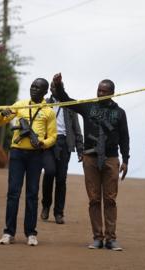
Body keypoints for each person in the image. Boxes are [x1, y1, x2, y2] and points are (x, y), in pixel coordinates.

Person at [52, 73, 129, 251]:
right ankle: (97, 237)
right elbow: (66, 100)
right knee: (94, 199)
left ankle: (111, 239)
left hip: (110, 159)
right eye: (98, 90)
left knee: (110, 199)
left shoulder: (119, 113)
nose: (100, 94)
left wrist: (125, 159)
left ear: (112, 93)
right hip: (90, 158)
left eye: (104, 91)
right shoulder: (88, 107)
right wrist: (59, 85)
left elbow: (124, 137)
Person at [0, 78, 57, 246]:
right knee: (13, 193)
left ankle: (31, 233)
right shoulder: (20, 104)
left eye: (38, 88)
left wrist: (42, 143)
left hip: (36, 156)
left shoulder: (48, 112)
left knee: (32, 194)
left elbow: (53, 137)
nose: (34, 89)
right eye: (32, 86)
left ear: (45, 92)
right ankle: (9, 232)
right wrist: (3, 113)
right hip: (17, 154)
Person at [41, 81, 84, 224]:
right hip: (48, 143)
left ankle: (59, 213)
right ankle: (46, 206)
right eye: (52, 87)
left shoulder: (69, 105)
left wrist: (80, 149)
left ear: (62, 89)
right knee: (49, 173)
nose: (55, 89)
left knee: (61, 179)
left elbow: (76, 128)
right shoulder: (44, 104)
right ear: (50, 90)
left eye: (58, 87)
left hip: (65, 143)